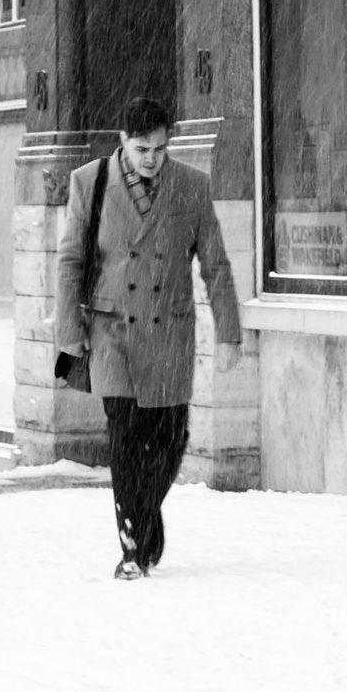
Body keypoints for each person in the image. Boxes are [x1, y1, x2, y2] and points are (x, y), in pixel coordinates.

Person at [51, 90, 241, 579]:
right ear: (123, 143)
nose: (151, 160)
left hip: (170, 331)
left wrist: (229, 333)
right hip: (111, 330)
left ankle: (147, 512)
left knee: (171, 440)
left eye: (158, 149)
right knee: (125, 438)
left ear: (167, 143)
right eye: (141, 151)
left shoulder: (192, 187)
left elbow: (215, 263)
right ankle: (132, 545)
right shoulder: (89, 183)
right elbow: (70, 261)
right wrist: (70, 335)